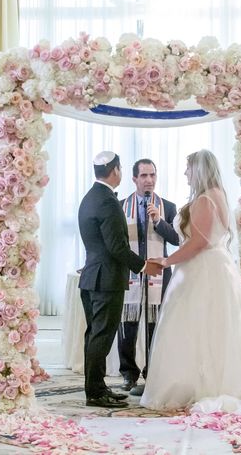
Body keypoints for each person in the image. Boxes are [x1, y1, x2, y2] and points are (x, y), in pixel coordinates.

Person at [140, 149, 241, 413]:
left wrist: (166, 261)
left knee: (195, 326)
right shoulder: (216, 196)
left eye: (188, 169)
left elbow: (198, 242)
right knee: (214, 327)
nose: (185, 174)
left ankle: (198, 385)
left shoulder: (205, 200)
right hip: (217, 267)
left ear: (197, 170)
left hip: (203, 270)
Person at [78, 151, 163, 409]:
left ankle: (98, 387)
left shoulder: (90, 197)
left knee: (95, 335)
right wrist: (144, 265)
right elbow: (117, 246)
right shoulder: (107, 201)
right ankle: (95, 393)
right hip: (107, 280)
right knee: (101, 337)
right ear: (116, 170)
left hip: (93, 276)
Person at [118, 159, 179, 392]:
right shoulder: (121, 205)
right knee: (127, 325)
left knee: (156, 326)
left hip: (159, 274)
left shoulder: (169, 207)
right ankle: (128, 374)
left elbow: (176, 239)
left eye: (152, 175)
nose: (149, 180)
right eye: (143, 176)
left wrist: (158, 220)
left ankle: (152, 372)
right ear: (134, 179)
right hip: (131, 271)